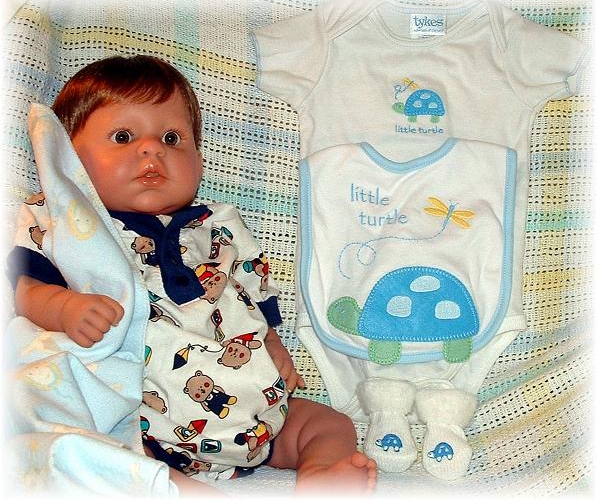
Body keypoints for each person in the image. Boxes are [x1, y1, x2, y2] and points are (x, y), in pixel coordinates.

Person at [8, 55, 376, 495]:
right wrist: (64, 307)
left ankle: (323, 473)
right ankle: (176, 486)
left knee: (326, 423)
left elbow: (254, 302)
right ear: (67, 160)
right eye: (123, 137)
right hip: (140, 419)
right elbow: (21, 288)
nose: (152, 149)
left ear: (199, 158)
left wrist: (273, 347)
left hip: (253, 416)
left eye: (172, 137)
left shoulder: (220, 225)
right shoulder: (62, 223)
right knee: (101, 453)